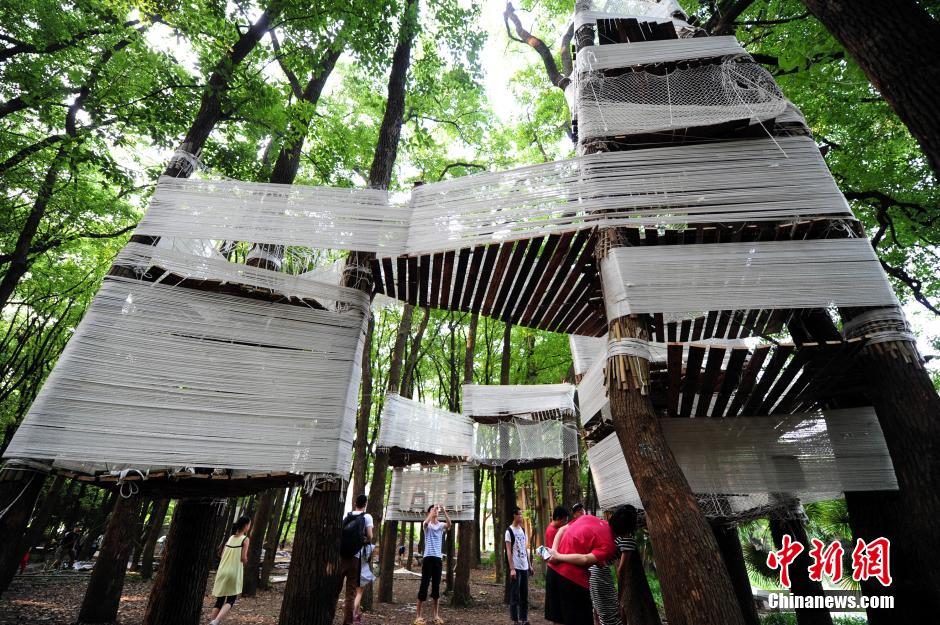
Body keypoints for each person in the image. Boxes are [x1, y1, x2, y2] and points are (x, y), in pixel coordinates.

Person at [546, 510, 618, 625]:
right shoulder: (610, 545)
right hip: (572, 580)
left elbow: (562, 529)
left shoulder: (589, 518)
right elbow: (585, 559)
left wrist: (554, 553)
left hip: (553, 571)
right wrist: (558, 556)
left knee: (559, 619)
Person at [587, 506, 639, 625]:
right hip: (600, 571)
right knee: (612, 617)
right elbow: (621, 570)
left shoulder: (605, 527)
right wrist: (619, 598)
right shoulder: (627, 539)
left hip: (590, 569)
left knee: (598, 612)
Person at [208, 515, 251, 625]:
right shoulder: (245, 539)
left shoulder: (231, 538)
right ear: (246, 526)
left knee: (219, 601)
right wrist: (246, 560)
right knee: (231, 600)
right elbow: (243, 558)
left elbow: (222, 555)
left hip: (222, 571)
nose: (249, 526)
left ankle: (212, 622)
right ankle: (216, 621)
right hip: (234, 572)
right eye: (249, 524)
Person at [340, 494, 374, 625]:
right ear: (365, 504)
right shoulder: (367, 516)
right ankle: (347, 622)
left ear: (355, 503)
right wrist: (364, 540)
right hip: (356, 558)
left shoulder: (347, 516)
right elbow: (370, 536)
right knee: (351, 592)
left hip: (342, 556)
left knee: (335, 588)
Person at [416, 503, 451, 625]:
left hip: (437, 559)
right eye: (433, 510)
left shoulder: (441, 525)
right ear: (429, 513)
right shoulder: (427, 525)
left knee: (436, 587)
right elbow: (425, 523)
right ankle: (418, 616)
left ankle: (436, 616)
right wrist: (432, 510)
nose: (435, 511)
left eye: (436, 510)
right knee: (424, 586)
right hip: (427, 558)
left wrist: (444, 511)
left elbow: (449, 525)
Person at [543, 506, 570, 625]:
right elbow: (553, 555)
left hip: (556, 570)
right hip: (555, 571)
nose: (565, 523)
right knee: (557, 611)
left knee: (558, 610)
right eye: (564, 520)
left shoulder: (553, 528)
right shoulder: (553, 531)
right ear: (558, 519)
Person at [505, 505, 530, 625]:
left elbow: (525, 549)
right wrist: (512, 568)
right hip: (516, 568)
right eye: (519, 514)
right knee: (515, 595)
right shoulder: (509, 531)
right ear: (514, 515)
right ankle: (515, 620)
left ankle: (524, 619)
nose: (521, 516)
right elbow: (508, 551)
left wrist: (530, 565)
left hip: (524, 566)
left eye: (521, 514)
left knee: (525, 595)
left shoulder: (523, 530)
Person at [352, 542, 377, 624]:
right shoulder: (369, 547)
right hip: (362, 572)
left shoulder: (355, 546)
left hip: (355, 571)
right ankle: (353, 613)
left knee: (357, 594)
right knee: (359, 594)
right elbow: (369, 559)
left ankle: (356, 614)